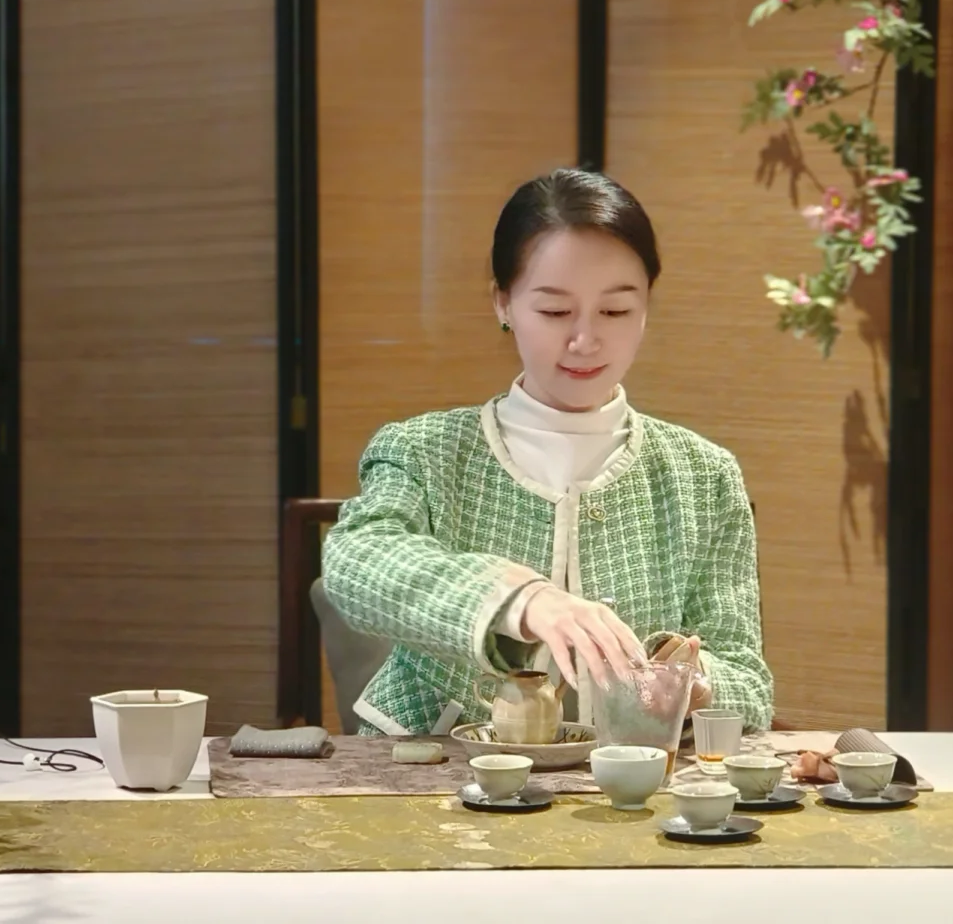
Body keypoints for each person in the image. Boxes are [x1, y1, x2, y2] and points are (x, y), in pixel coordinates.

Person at [321, 168, 774, 737]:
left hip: (628, 781)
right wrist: (521, 599)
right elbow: (357, 560)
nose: (585, 340)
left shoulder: (703, 476)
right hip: (436, 769)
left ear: (646, 307)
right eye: (555, 312)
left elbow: (749, 683)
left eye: (615, 311)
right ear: (503, 302)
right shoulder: (424, 450)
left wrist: (692, 683)